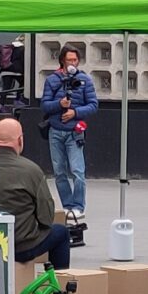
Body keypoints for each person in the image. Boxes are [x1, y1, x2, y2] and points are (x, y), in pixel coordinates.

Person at [0, 118, 72, 270]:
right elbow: (46, 218)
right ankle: (59, 287)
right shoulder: (31, 170)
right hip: (21, 247)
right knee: (62, 233)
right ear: (20, 140)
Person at [39, 46, 98, 222]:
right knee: (59, 171)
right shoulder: (52, 80)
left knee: (78, 170)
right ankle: (67, 206)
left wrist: (75, 113)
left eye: (75, 60)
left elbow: (93, 105)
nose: (73, 63)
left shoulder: (85, 80)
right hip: (56, 131)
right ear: (62, 61)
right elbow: (45, 105)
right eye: (69, 60)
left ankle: (79, 206)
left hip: (74, 132)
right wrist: (60, 104)